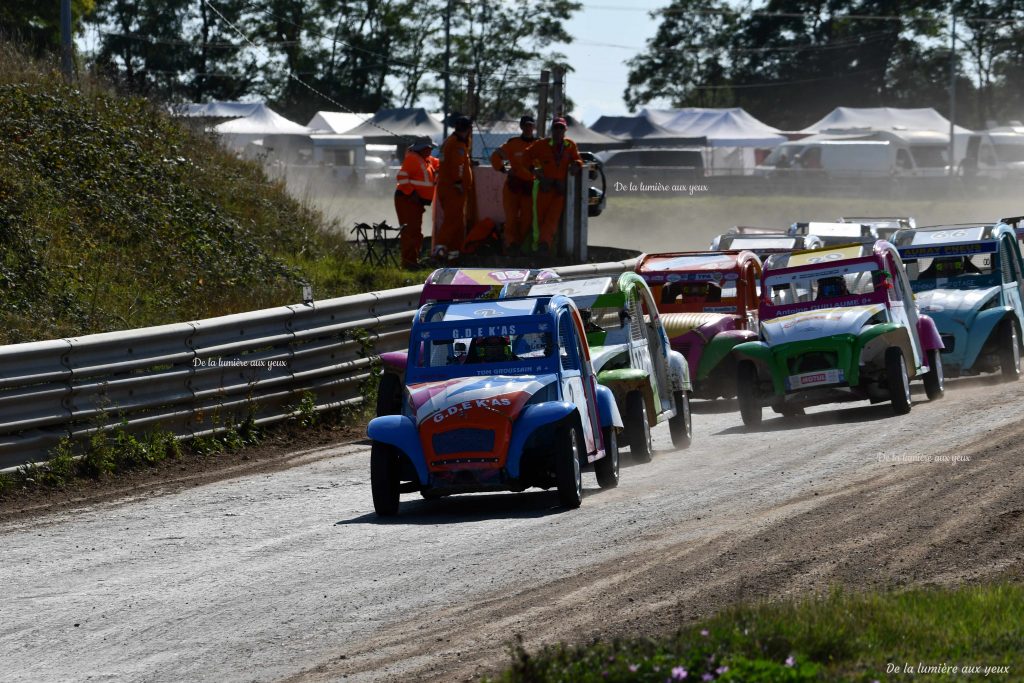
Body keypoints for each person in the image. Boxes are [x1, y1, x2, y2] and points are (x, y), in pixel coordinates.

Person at [523, 116, 583, 255]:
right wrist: (535, 170)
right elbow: (525, 157)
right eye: (556, 128)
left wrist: (577, 165)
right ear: (552, 130)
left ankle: (544, 246)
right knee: (538, 220)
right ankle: (535, 248)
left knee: (552, 219)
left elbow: (578, 159)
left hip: (559, 191)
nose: (558, 131)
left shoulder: (570, 145)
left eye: (561, 128)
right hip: (543, 189)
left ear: (565, 130)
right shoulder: (541, 144)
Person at [489, 114, 537, 253]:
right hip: (513, 187)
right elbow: (495, 157)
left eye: (530, 125)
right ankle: (510, 245)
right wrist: (504, 170)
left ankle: (520, 246)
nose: (528, 128)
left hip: (529, 187)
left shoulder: (539, 144)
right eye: (526, 125)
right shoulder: (512, 143)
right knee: (511, 219)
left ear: (533, 127)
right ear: (521, 127)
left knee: (527, 219)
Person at [434, 116, 474, 262]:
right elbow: (457, 166)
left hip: (447, 187)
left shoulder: (450, 141)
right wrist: (458, 182)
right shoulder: (457, 144)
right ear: (468, 129)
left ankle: (453, 254)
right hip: (453, 189)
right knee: (452, 221)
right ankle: (439, 250)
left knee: (457, 222)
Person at [394, 137, 439, 269]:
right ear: (424, 148)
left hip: (415, 202)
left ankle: (413, 260)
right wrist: (411, 193)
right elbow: (401, 177)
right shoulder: (413, 159)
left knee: (416, 232)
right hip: (407, 200)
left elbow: (437, 163)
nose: (431, 151)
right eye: (430, 148)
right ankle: (409, 263)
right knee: (409, 232)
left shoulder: (426, 159)